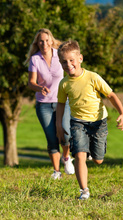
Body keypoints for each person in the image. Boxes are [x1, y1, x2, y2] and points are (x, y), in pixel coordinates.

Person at [56, 40, 123, 200]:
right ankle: (84, 191)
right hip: (77, 123)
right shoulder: (64, 84)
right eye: (64, 62)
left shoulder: (93, 77)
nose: (68, 65)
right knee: (79, 156)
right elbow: (60, 105)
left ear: (80, 58)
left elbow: (111, 95)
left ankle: (90, 153)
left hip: (98, 123)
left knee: (98, 160)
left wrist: (122, 113)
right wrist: (59, 125)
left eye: (71, 60)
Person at [26, 28, 75, 179]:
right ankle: (57, 171)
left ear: (51, 41)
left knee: (65, 133)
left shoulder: (59, 55)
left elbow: (70, 72)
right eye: (41, 41)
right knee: (52, 138)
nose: (44, 43)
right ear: (37, 43)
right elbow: (31, 83)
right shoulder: (35, 59)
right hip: (44, 105)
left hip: (62, 102)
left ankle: (66, 158)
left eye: (47, 40)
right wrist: (40, 87)